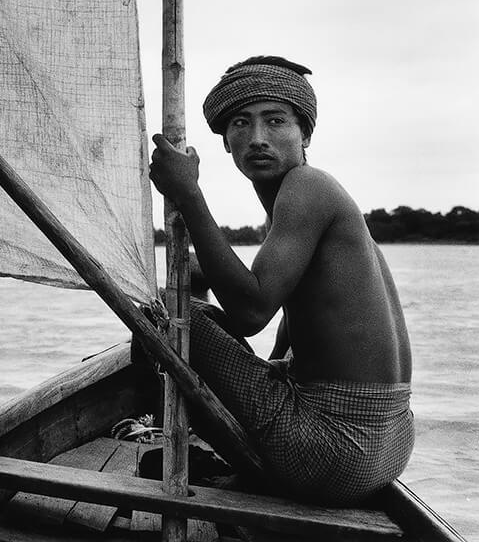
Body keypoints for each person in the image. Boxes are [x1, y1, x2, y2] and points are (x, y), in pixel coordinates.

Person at [148, 55, 414, 507]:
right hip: (389, 447)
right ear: (226, 142)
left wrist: (188, 195)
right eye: (240, 124)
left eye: (275, 122)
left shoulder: (307, 187)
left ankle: (238, 462)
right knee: (196, 298)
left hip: (334, 449)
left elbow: (251, 313)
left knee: (161, 316)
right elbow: (293, 322)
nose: (257, 139)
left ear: (305, 134)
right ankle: (243, 452)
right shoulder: (298, 202)